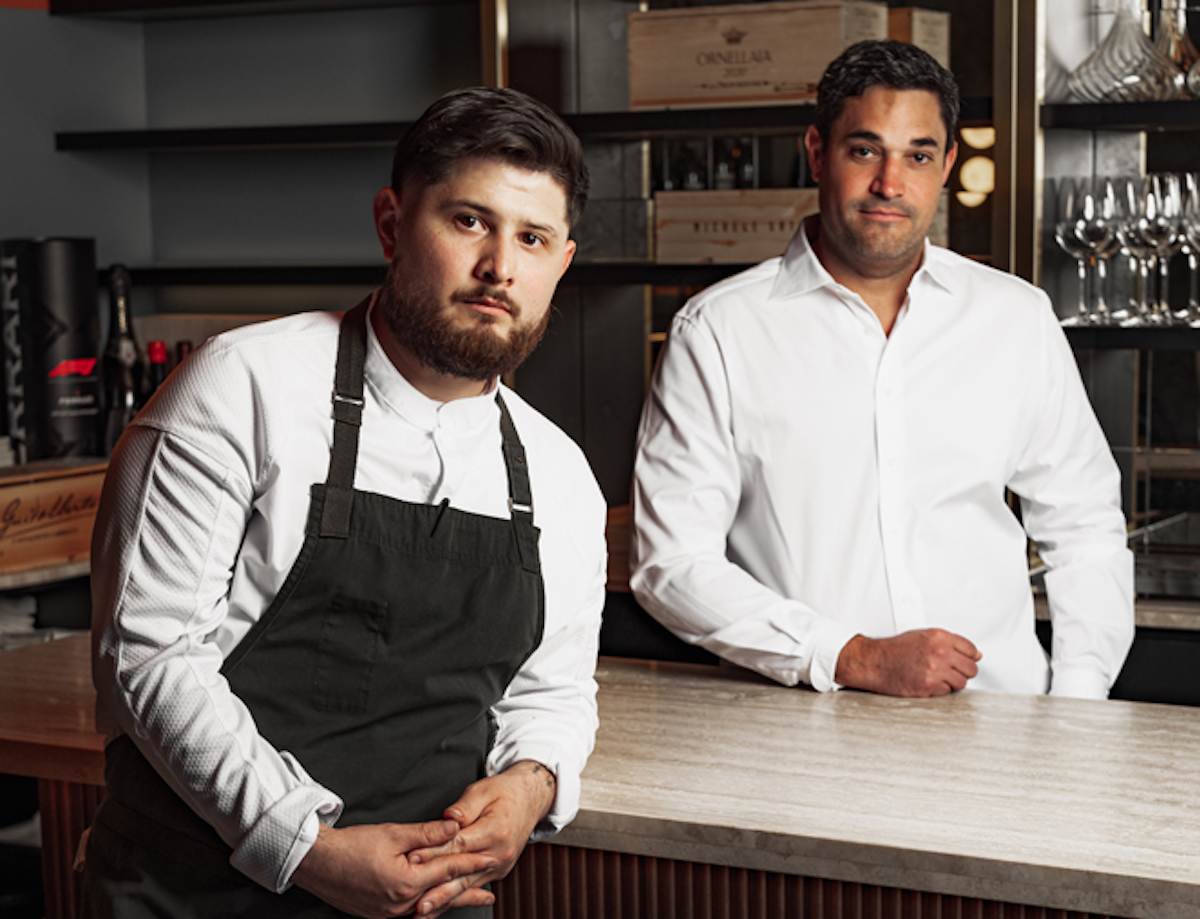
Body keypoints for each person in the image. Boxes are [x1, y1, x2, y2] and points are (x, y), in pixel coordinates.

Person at [86, 86, 606, 918]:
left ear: (561, 263)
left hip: (431, 900)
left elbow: (551, 690)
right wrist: (308, 848)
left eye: (532, 238)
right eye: (469, 221)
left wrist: (531, 783)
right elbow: (150, 656)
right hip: (194, 892)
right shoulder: (240, 385)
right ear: (393, 224)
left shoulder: (559, 472)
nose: (500, 267)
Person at [629, 41, 1134, 701]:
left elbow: (1085, 521)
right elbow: (671, 564)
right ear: (817, 152)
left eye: (918, 156)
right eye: (864, 150)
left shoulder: (1015, 318)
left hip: (1003, 724)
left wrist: (1077, 695)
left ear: (948, 164)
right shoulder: (718, 332)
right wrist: (848, 655)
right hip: (802, 733)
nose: (890, 184)